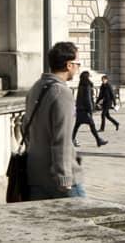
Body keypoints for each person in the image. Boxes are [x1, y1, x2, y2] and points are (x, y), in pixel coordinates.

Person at [25, 41, 84, 199]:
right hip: (58, 177)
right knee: (82, 219)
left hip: (35, 174)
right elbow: (62, 139)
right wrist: (64, 177)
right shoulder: (62, 92)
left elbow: (25, 129)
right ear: (69, 65)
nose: (78, 68)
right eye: (78, 63)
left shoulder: (36, 87)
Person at [72, 71, 108, 147]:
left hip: (80, 109)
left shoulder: (81, 85)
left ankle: (72, 139)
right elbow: (88, 98)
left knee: (77, 125)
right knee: (92, 125)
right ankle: (98, 140)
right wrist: (91, 108)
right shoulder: (87, 85)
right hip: (85, 110)